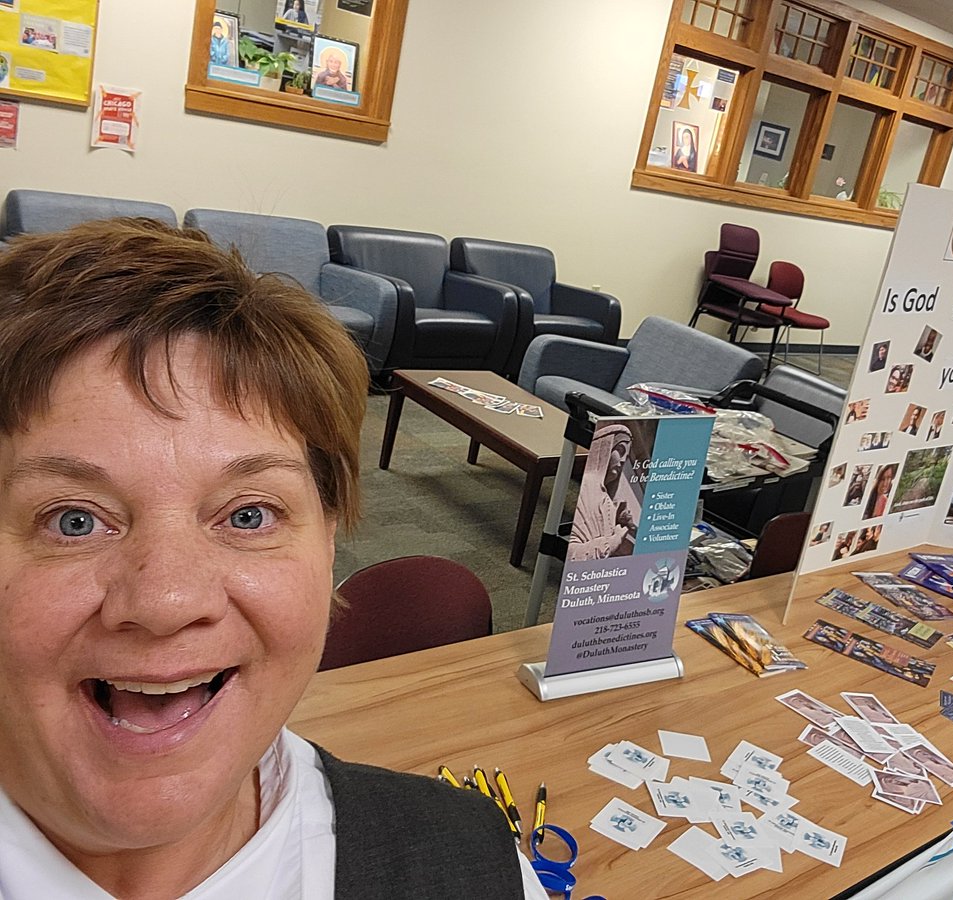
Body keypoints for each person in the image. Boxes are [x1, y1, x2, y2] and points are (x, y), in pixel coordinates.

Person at [0, 219, 546, 899]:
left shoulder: (479, 871)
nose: (168, 602)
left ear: (327, 543)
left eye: (248, 515)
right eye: (74, 521)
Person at [567, 422, 638, 560]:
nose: (623, 460)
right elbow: (573, 554)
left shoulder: (604, 496)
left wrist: (620, 522)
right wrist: (614, 539)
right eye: (620, 451)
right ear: (606, 449)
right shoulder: (588, 487)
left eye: (626, 456)